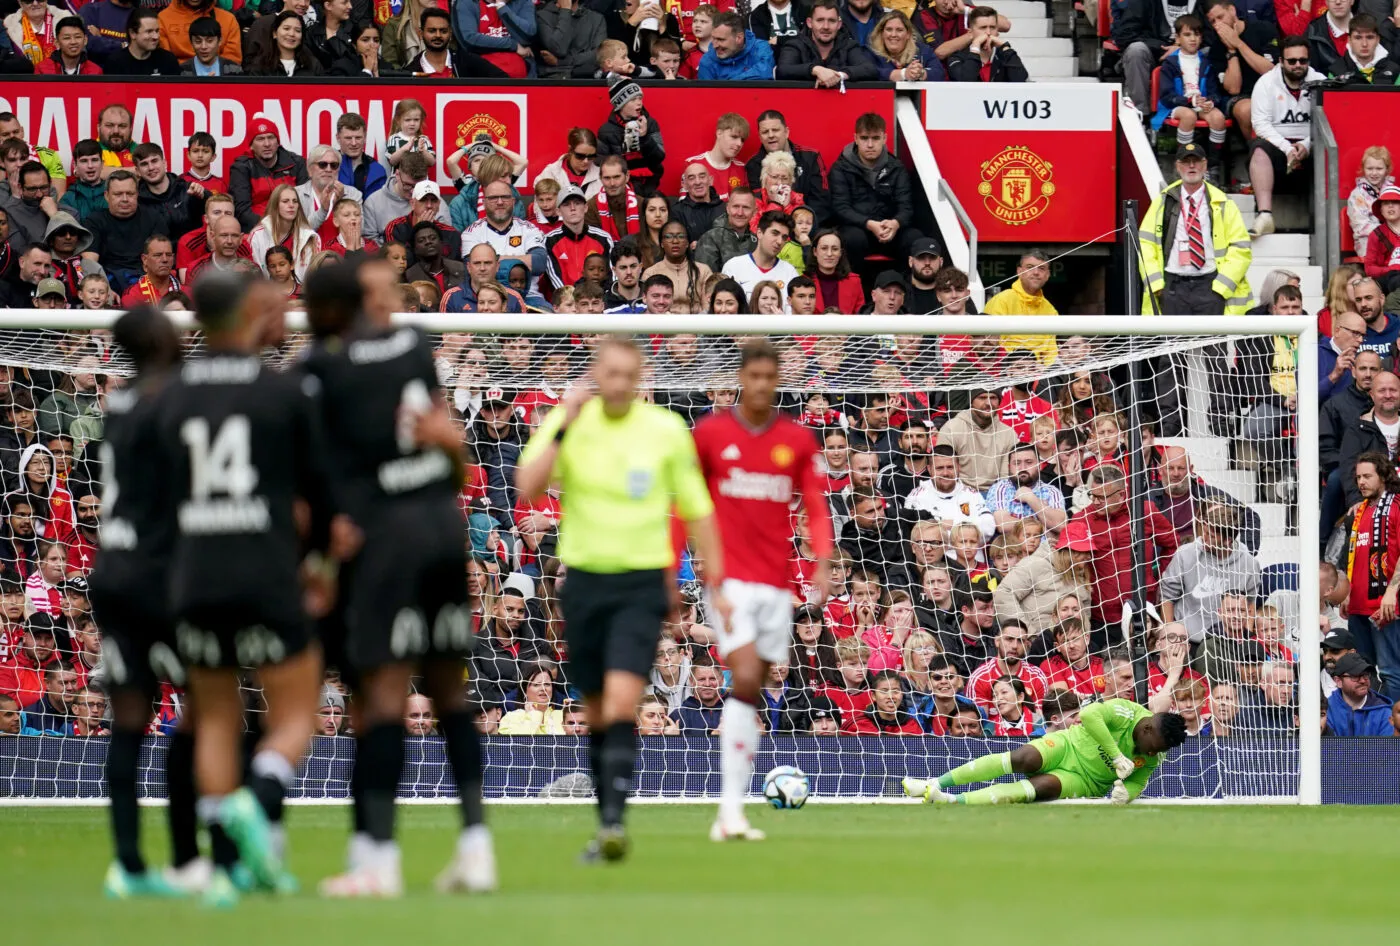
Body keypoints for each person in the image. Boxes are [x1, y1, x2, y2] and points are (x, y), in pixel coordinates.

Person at [156, 272, 346, 907]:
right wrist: (319, 565)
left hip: (194, 574)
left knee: (213, 718)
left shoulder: (169, 393)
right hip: (265, 570)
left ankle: (227, 867)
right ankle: (259, 799)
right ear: (243, 315)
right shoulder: (281, 392)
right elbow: (319, 495)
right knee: (293, 713)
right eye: (268, 308)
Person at [515, 337, 731, 862]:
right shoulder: (572, 421)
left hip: (641, 584)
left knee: (619, 703)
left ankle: (612, 822)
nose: (615, 382)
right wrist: (563, 420)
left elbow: (696, 507)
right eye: (606, 373)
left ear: (639, 379)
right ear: (595, 375)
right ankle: (607, 814)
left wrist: (719, 580)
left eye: (625, 374)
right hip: (584, 582)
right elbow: (527, 486)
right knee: (593, 705)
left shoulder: (665, 431)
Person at [693, 339, 832, 839]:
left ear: (777, 381)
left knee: (754, 685)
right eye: (752, 377)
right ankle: (730, 812)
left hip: (777, 583)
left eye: (769, 378)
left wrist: (822, 559)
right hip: (727, 579)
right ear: (740, 378)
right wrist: (679, 568)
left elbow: (816, 504)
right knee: (746, 672)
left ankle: (732, 807)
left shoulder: (796, 440)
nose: (760, 386)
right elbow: (688, 502)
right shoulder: (710, 434)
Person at [84, 305, 197, 898]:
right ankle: (186, 856)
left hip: (113, 570)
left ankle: (127, 864)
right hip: (160, 574)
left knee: (128, 719)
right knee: (205, 704)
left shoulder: (121, 404)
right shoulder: (174, 401)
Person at [903, 699, 1187, 804]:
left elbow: (1139, 779)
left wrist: (1129, 793)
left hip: (1086, 781)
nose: (1153, 755)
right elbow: (1089, 716)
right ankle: (932, 784)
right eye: (1154, 748)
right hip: (1068, 745)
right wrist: (1115, 754)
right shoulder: (1125, 711)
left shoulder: (1155, 754)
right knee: (1023, 758)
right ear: (1148, 728)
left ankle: (952, 800)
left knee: (1041, 788)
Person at [1138, 142, 1253, 315]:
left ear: (1205, 165)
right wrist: (1157, 286)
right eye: (1186, 161)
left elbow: (1241, 248)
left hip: (1210, 285)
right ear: (1178, 166)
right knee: (1174, 343)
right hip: (1172, 287)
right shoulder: (1163, 201)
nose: (1191, 166)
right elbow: (1145, 244)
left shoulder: (1223, 202)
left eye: (1196, 161)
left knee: (1211, 342)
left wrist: (1221, 288)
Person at [1247, 36, 1323, 237]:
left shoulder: (1321, 82)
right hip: (1279, 149)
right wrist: (1288, 148)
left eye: (1303, 60)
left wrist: (1307, 145)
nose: (1298, 65)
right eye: (1292, 61)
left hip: (1312, 147)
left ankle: (1325, 221)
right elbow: (1260, 124)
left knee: (1330, 148)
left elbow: (1329, 123)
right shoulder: (1265, 83)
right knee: (1259, 149)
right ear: (1281, 61)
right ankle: (1265, 215)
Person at [829, 112, 922, 263]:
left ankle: (904, 285)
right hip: (857, 230)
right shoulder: (840, 168)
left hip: (890, 231)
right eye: (865, 138)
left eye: (876, 138)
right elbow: (840, 208)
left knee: (915, 239)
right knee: (851, 239)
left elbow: (906, 207)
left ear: (884, 138)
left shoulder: (897, 168)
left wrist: (895, 223)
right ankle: (855, 285)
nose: (870, 144)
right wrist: (869, 224)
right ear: (856, 139)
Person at [775, 0, 879, 85]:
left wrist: (839, 75)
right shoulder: (795, 44)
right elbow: (783, 70)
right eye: (820, 20)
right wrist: (815, 70)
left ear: (839, 25)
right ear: (809, 23)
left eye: (831, 21)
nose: (826, 26)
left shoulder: (849, 45)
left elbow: (870, 69)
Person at [595, 75, 666, 198]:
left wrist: (644, 137)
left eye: (640, 98)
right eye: (633, 100)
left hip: (650, 184)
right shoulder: (606, 131)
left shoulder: (650, 123)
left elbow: (659, 157)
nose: (639, 102)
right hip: (620, 188)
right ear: (620, 104)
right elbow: (602, 165)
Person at [721, 210, 798, 297]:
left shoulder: (790, 273)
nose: (780, 241)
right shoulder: (733, 267)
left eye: (784, 237)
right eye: (775, 233)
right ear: (759, 233)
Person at [946, 5, 1027, 81]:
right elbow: (966, 81)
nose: (988, 33)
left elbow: (1020, 80)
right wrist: (975, 47)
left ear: (997, 31)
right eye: (983, 28)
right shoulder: (956, 58)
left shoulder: (1006, 55)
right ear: (970, 32)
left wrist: (1005, 47)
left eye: (992, 27)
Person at [1325, 652, 1393, 735]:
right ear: (1338, 681)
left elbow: (1386, 747)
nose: (1363, 680)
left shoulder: (1384, 713)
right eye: (1355, 676)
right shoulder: (1326, 710)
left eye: (1365, 675)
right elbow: (1326, 746)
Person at [537, 0, 608, 78]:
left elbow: (600, 54)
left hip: (588, 76)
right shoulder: (542, 16)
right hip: (554, 77)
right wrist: (566, 11)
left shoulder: (596, 18)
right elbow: (559, 49)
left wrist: (560, 62)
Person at [103, 10, 183, 75]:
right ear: (133, 33)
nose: (156, 36)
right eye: (149, 31)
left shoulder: (168, 60)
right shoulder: (115, 62)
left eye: (157, 31)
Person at [698, 11, 774, 79]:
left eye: (721, 39)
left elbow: (765, 73)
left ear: (739, 38)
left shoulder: (760, 48)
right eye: (713, 38)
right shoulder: (707, 61)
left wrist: (730, 84)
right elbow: (705, 94)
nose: (715, 45)